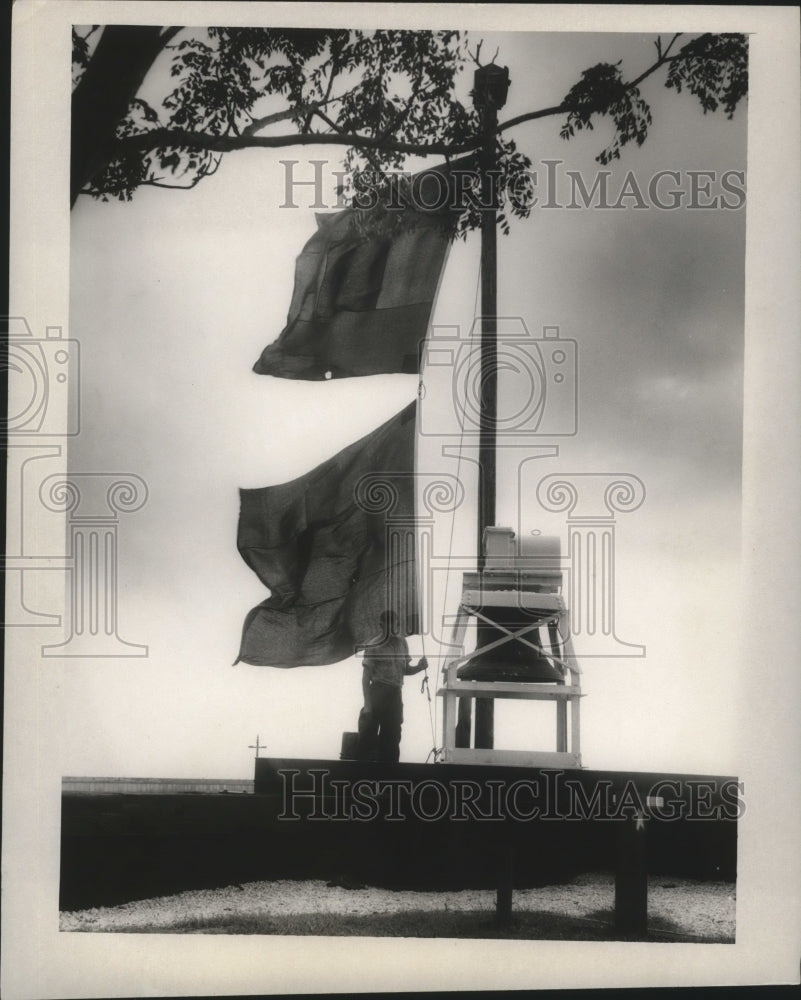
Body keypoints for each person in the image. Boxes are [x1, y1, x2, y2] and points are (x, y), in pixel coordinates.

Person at [358, 610, 428, 763]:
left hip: (395, 694)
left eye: (394, 624)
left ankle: (390, 776)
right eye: (388, 624)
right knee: (368, 737)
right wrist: (367, 705)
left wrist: (419, 667)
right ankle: (364, 778)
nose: (392, 628)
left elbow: (405, 670)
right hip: (378, 692)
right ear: (381, 625)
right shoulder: (373, 645)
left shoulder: (402, 643)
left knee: (392, 738)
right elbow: (365, 678)